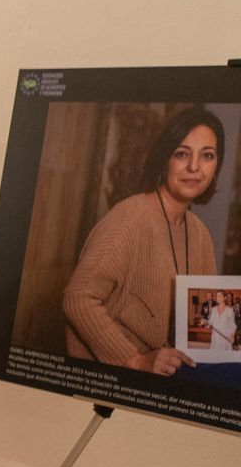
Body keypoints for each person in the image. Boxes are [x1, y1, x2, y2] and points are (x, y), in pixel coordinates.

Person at [63, 106, 224, 375]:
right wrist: (135, 360)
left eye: (207, 155)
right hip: (116, 380)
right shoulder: (130, 218)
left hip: (173, 379)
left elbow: (203, 331)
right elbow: (77, 298)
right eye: (182, 153)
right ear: (164, 158)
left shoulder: (200, 234)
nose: (194, 167)